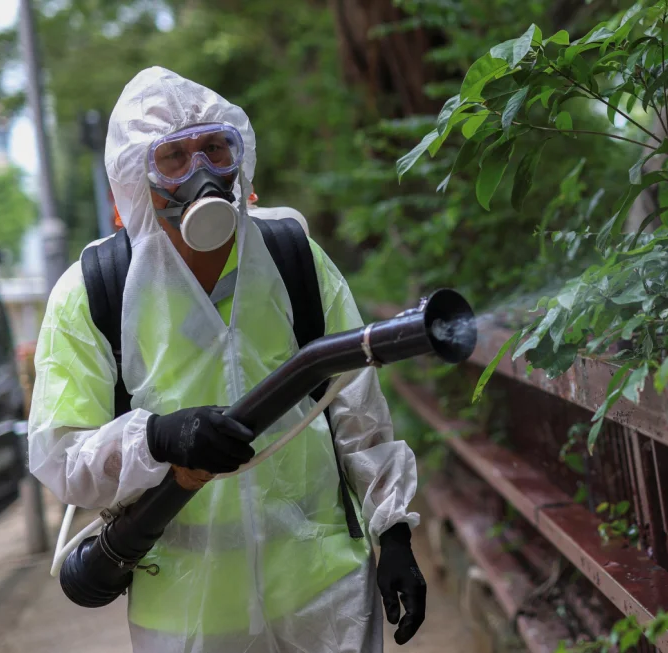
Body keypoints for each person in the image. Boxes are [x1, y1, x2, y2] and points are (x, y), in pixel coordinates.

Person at [28, 66, 425, 652]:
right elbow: (60, 456)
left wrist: (393, 534)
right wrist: (159, 438)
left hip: (324, 595)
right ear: (136, 180)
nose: (201, 174)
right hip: (189, 615)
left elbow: (357, 410)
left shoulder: (293, 257)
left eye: (216, 148)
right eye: (174, 158)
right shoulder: (92, 292)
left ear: (241, 159)